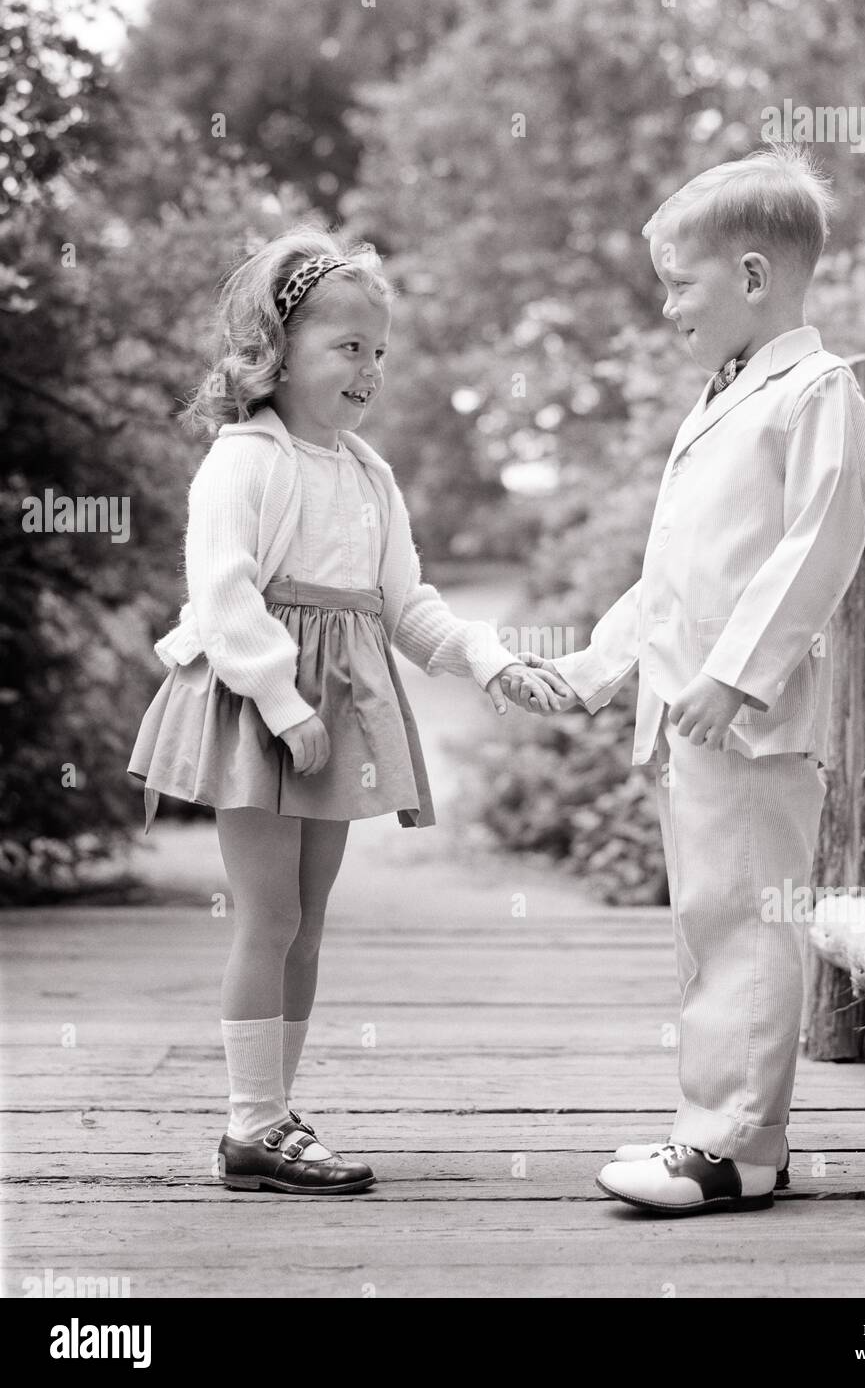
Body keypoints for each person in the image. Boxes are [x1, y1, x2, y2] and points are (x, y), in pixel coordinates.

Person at [127, 228, 560, 1195]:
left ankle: (273, 1115)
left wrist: (490, 662)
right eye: (347, 347)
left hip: (334, 709)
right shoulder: (247, 460)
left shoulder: (369, 475)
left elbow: (406, 606)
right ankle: (251, 1125)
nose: (368, 369)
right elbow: (224, 591)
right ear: (277, 354)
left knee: (308, 919)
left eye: (379, 351)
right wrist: (281, 700)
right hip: (260, 702)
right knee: (266, 914)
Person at [523, 143, 865, 1216]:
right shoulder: (723, 397)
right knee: (710, 924)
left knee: (749, 927)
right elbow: (672, 576)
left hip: (748, 722)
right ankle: (720, 1124)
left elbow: (816, 548)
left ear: (754, 277)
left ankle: (730, 1146)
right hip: (694, 722)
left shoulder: (814, 391)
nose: (668, 304)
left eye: (679, 281)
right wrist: (588, 670)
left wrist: (734, 675)